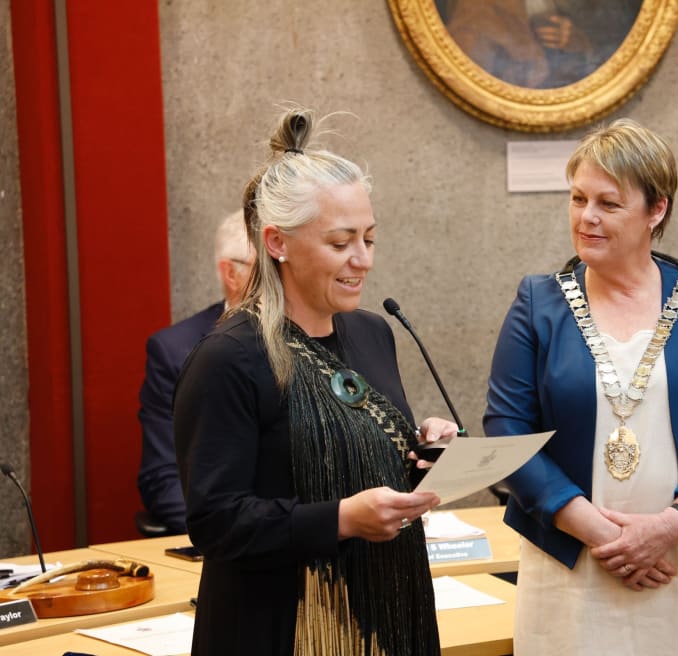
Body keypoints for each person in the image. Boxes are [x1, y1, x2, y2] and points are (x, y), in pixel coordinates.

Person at [484, 118, 678, 655]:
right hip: (572, 566)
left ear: (655, 210)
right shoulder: (537, 303)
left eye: (609, 204)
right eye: (577, 199)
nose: (586, 218)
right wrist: (600, 534)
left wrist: (671, 524)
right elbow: (506, 430)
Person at [174, 107, 453, 656]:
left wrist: (420, 452)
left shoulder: (373, 332)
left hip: (384, 616)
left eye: (369, 239)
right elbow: (216, 522)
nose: (363, 260)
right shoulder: (229, 358)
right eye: (341, 242)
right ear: (277, 243)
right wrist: (342, 519)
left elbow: (357, 449)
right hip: (280, 627)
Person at [137, 209, 255, 534]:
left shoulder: (318, 336)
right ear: (231, 274)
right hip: (226, 545)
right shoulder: (176, 351)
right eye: (268, 270)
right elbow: (163, 477)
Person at [443, 0, 641, 89]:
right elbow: (464, 66)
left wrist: (584, 43)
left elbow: (621, 37)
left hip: (582, 102)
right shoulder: (475, 8)